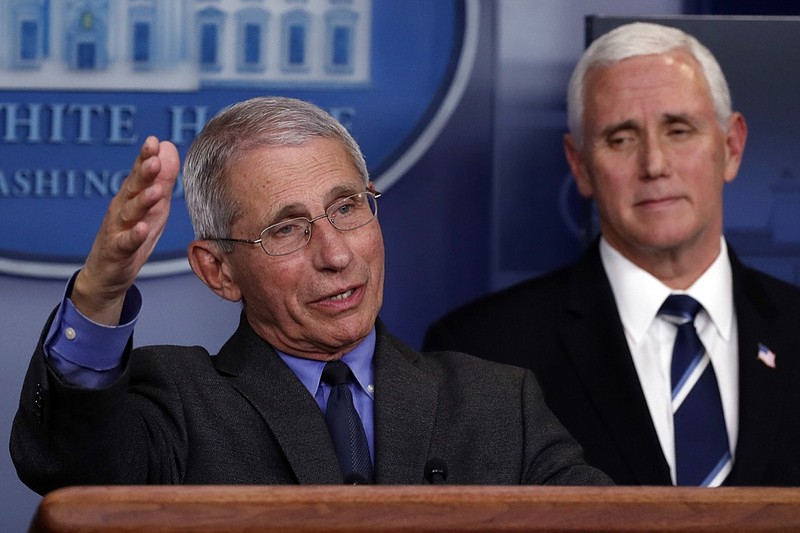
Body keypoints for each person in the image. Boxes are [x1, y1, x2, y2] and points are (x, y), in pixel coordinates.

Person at [11, 96, 610, 495]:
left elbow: (620, 525)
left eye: (347, 208)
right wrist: (102, 289)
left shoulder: (497, 403)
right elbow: (71, 468)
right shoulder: (173, 404)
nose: (336, 253)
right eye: (287, 228)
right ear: (218, 270)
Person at [424, 22, 800, 486]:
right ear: (580, 164)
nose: (654, 165)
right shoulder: (483, 353)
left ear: (732, 146)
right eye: (621, 138)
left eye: (679, 130)